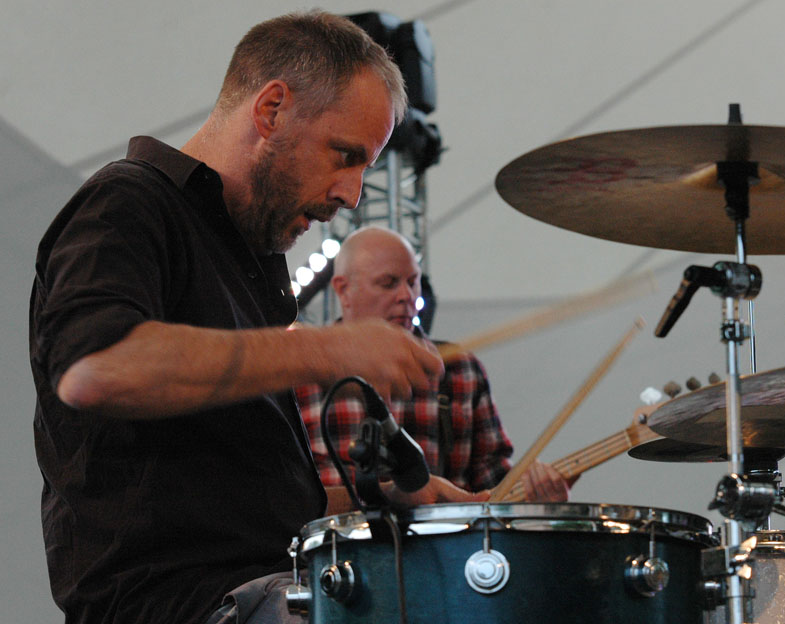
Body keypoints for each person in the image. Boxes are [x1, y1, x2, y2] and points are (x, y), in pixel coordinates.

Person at [29, 12, 484, 624]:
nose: (351, 194)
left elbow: (239, 509)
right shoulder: (127, 202)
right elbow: (95, 370)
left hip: (258, 588)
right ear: (271, 110)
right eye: (344, 155)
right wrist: (332, 350)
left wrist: (391, 497)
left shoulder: (251, 262)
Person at [296, 226, 570, 502]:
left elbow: (493, 483)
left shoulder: (459, 367)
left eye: (412, 281)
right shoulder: (303, 372)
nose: (407, 295)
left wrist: (534, 496)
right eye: (389, 283)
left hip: (446, 544)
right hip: (337, 544)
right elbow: (288, 495)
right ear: (343, 290)